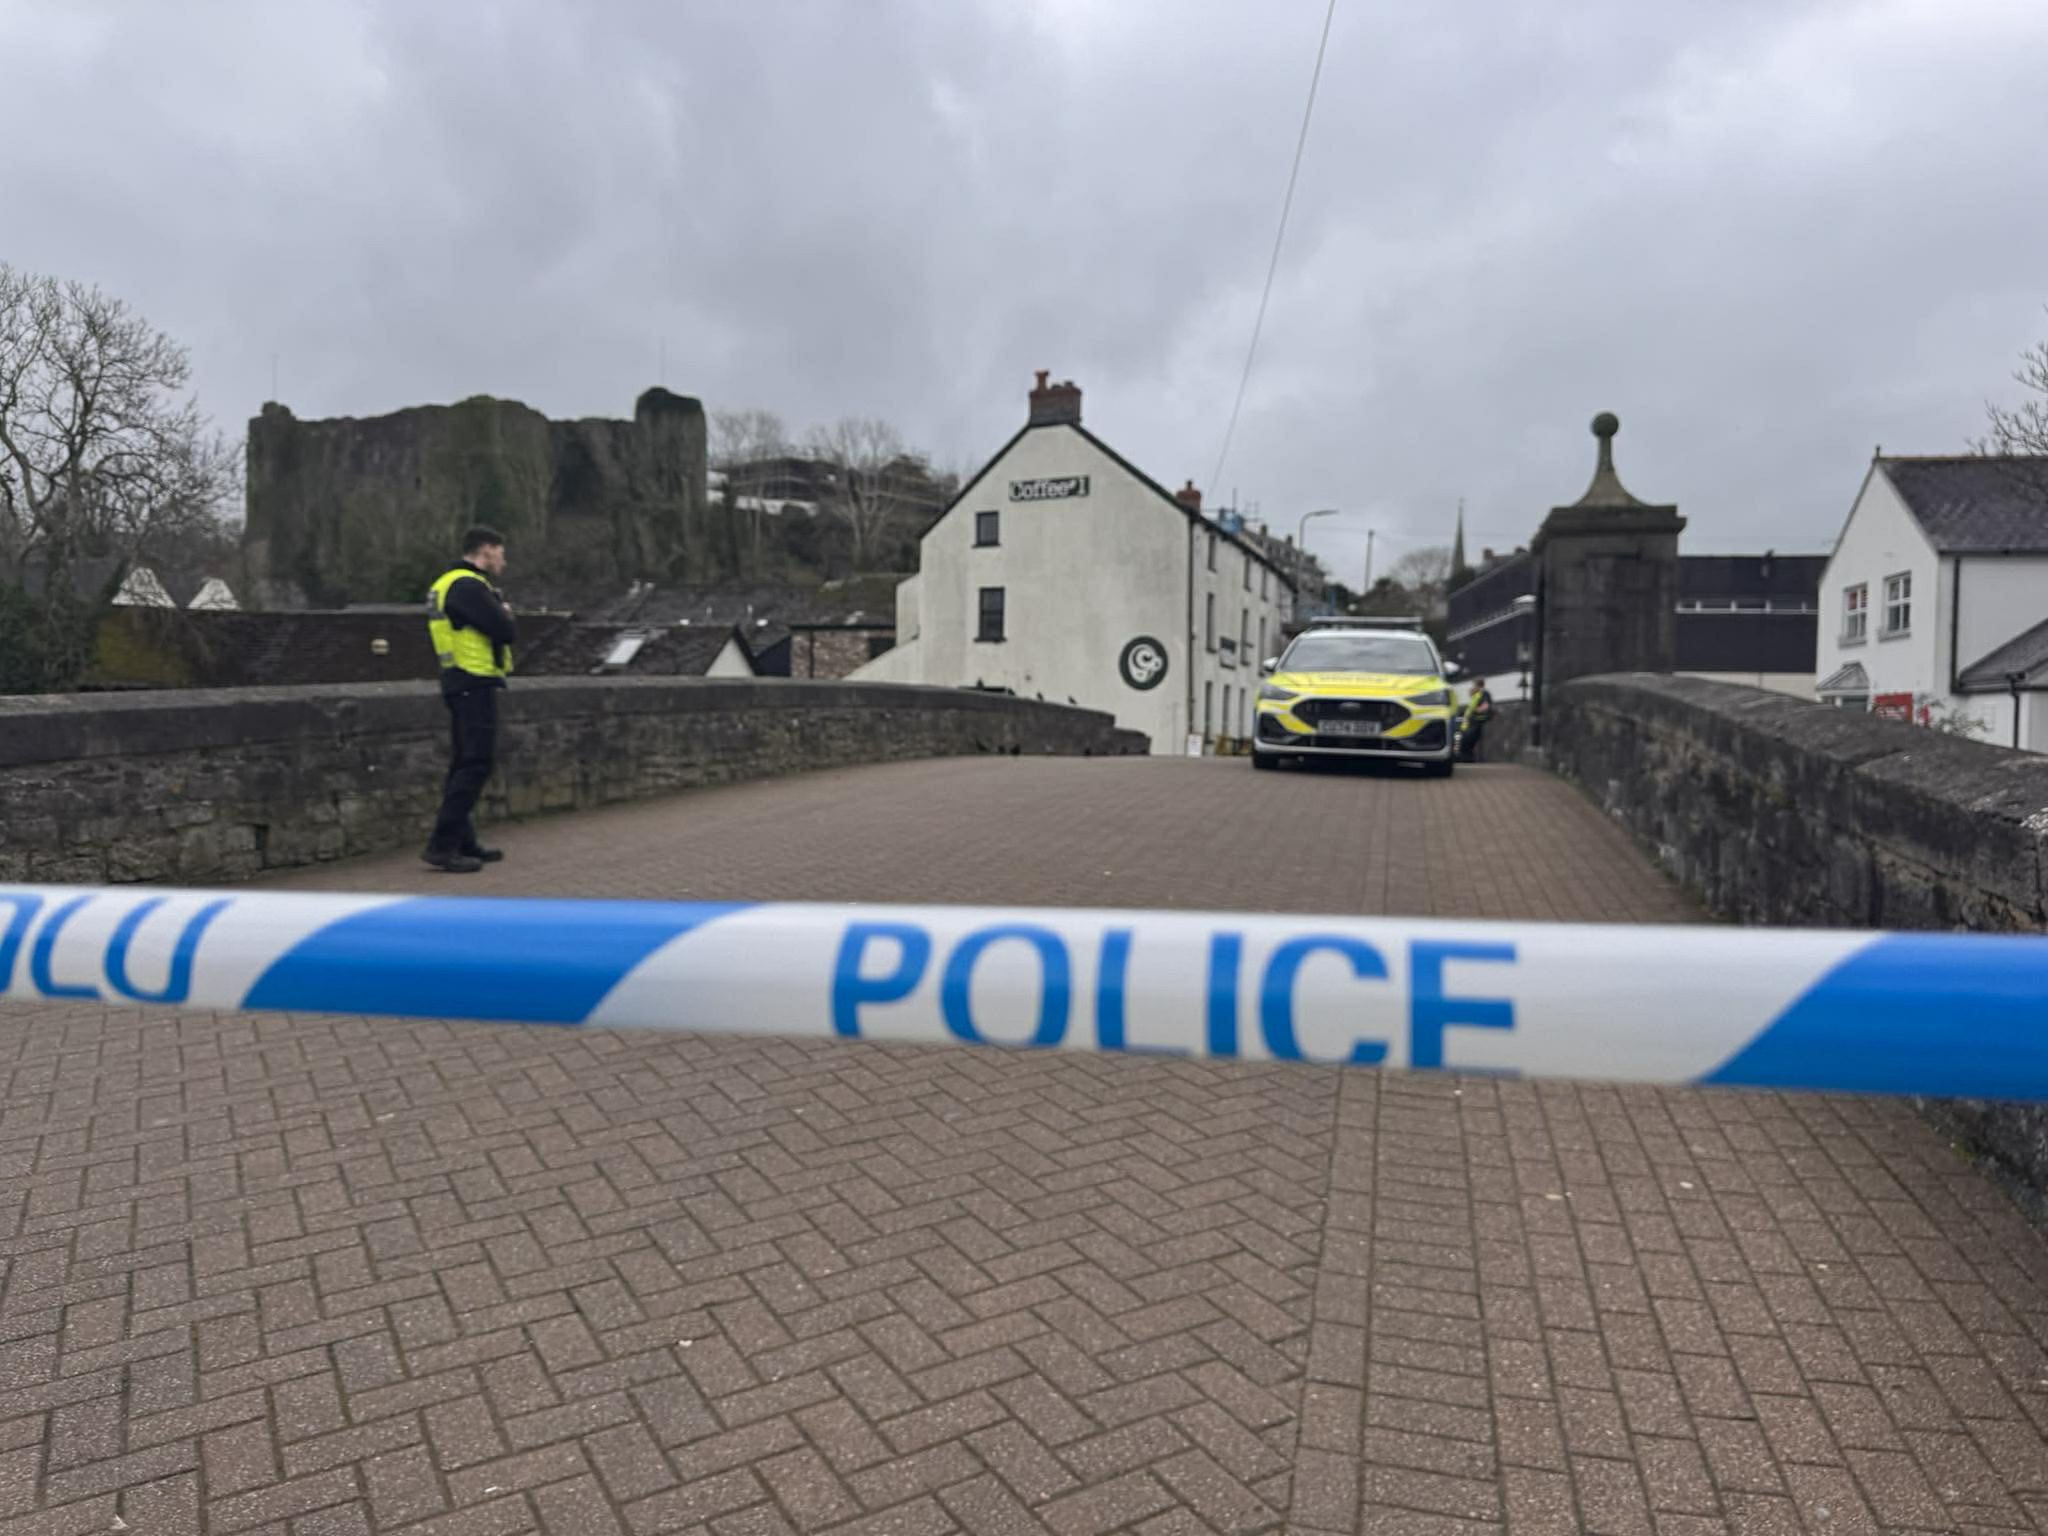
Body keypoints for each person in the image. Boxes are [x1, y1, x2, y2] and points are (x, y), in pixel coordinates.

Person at [423, 526, 516, 873]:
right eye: (501, 552)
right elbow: (505, 631)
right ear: (486, 550)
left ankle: (463, 841)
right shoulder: (468, 586)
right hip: (472, 679)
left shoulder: (448, 583)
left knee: (464, 762)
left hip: (460, 679)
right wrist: (504, 612)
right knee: (476, 762)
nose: (503, 560)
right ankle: (442, 845)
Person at [1458, 676, 1495, 763]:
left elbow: (1485, 706)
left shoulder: (1484, 693)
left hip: (1477, 720)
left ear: (1477, 685)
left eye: (1474, 685)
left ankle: (1467, 758)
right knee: (1467, 740)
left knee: (1468, 739)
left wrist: (1475, 711)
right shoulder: (1477, 694)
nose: (1473, 687)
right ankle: (1467, 758)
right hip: (1472, 721)